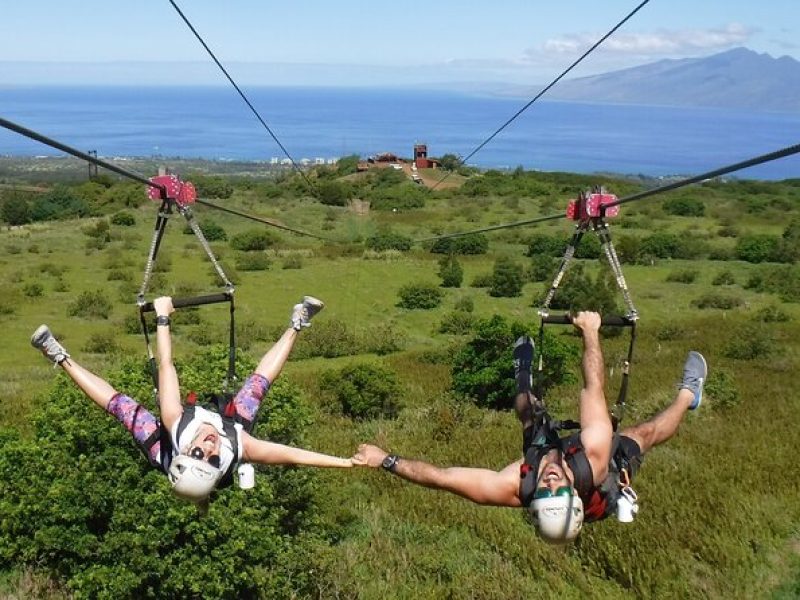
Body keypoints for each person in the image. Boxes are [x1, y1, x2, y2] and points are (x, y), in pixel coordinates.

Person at [352, 311, 707, 544]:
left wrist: (385, 460)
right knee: (644, 435)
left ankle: (522, 370)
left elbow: (441, 477)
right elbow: (593, 387)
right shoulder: (595, 460)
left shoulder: (513, 487)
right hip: (604, 467)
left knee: (529, 414)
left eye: (544, 491)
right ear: (573, 493)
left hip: (556, 456)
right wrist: (590, 332)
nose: (550, 482)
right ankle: (689, 394)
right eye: (559, 490)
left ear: (532, 500)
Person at [31, 295, 352, 504]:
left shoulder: (175, 426)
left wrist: (162, 317)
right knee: (257, 386)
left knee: (122, 407)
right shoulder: (239, 448)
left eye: (199, 451)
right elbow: (296, 455)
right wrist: (348, 463)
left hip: (165, 449)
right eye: (211, 457)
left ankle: (57, 355)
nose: (209, 447)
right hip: (227, 433)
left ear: (187, 449)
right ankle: (298, 322)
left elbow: (165, 365)